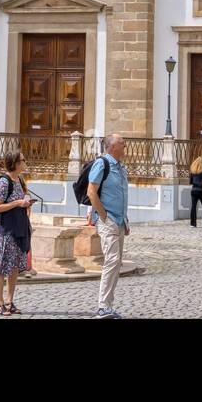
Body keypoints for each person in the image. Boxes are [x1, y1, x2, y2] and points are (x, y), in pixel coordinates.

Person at [87, 133, 130, 319]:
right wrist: (104, 217)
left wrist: (124, 220)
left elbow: (121, 195)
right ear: (112, 147)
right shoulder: (102, 164)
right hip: (109, 221)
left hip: (119, 221)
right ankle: (103, 306)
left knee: (116, 262)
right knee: (112, 261)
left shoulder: (120, 168)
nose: (125, 146)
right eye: (122, 143)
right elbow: (91, 192)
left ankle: (108, 305)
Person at [0, 151, 34, 315]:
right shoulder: (4, 182)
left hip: (19, 228)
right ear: (15, 163)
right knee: (1, 267)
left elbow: (19, 202)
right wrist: (17, 203)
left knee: (14, 266)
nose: (25, 161)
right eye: (22, 159)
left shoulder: (19, 180)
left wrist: (26, 204)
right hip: (7, 230)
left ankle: (9, 301)